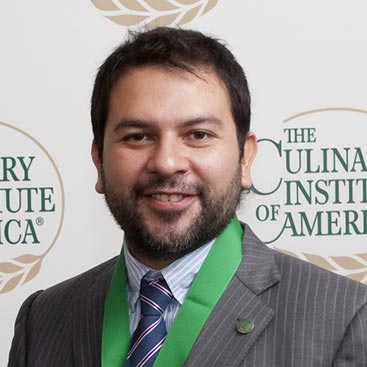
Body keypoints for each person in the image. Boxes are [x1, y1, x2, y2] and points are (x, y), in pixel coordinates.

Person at [8, 27, 367, 367]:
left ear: (245, 158)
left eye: (197, 135)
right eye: (137, 136)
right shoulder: (42, 318)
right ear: (99, 160)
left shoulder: (344, 318)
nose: (166, 163)